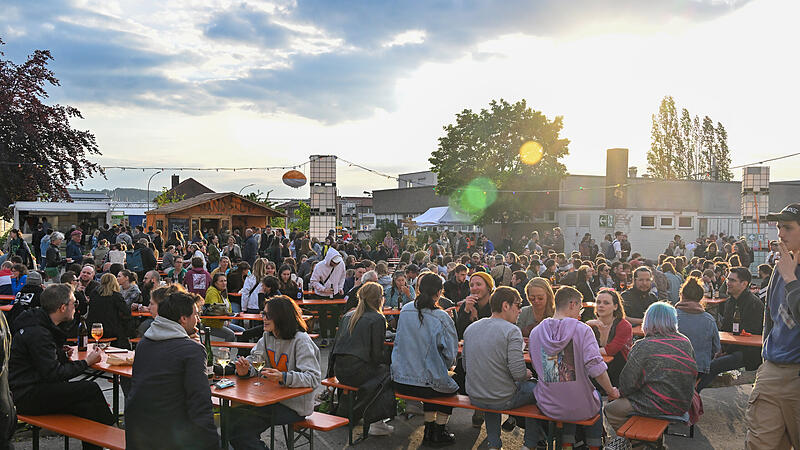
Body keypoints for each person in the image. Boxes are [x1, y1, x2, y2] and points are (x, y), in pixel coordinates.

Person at [9, 284, 114, 450]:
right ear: (63, 307)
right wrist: (87, 362)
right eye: (74, 303)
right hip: (26, 395)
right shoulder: (39, 333)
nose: (76, 307)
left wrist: (60, 354)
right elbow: (54, 374)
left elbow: (38, 361)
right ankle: (114, 434)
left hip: (25, 389)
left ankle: (104, 440)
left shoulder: (37, 323)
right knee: (90, 388)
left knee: (86, 408)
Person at [529, 286, 619, 450]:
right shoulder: (582, 329)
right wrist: (611, 391)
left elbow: (552, 372)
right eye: (579, 307)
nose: (580, 312)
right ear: (572, 304)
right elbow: (595, 368)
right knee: (594, 396)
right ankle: (594, 444)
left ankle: (567, 442)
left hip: (548, 404)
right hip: (579, 406)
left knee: (567, 391)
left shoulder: (537, 332)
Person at [125, 291, 219, 449]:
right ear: (183, 318)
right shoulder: (191, 350)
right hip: (171, 436)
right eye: (195, 315)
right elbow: (200, 403)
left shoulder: (144, 343)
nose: (198, 320)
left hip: (137, 431)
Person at [229, 295, 321, 450]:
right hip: (270, 399)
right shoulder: (267, 337)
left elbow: (313, 378)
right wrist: (245, 370)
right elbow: (255, 360)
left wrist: (284, 377)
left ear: (281, 316)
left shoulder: (301, 340)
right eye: (263, 313)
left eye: (268, 315)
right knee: (231, 418)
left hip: (294, 406)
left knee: (240, 429)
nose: (263, 318)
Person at [746, 203, 800, 449]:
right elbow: (773, 317)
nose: (780, 234)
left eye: (788, 227)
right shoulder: (783, 265)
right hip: (772, 370)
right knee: (760, 444)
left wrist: (791, 279)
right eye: (779, 227)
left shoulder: (786, 271)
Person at [604, 302, 697, 436]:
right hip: (682, 403)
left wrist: (619, 393)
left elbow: (627, 384)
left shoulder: (643, 346)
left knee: (611, 409)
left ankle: (637, 442)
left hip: (655, 403)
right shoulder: (685, 342)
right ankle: (648, 441)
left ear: (648, 321)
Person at [463, 287, 540, 450]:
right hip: (502, 398)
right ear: (506, 305)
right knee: (537, 390)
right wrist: (527, 374)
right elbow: (518, 374)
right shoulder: (512, 331)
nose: (520, 310)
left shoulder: (471, 328)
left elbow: (464, 365)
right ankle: (531, 443)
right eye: (518, 305)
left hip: (475, 395)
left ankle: (494, 443)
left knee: (494, 389)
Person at [392, 273, 458, 446]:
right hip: (427, 385)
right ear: (439, 293)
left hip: (400, 380)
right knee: (448, 383)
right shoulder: (442, 317)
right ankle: (438, 430)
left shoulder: (405, 309)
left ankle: (429, 428)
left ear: (419, 290)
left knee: (435, 377)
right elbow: (451, 355)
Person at [329, 282, 394, 436]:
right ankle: (376, 421)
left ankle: (356, 411)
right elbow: (376, 357)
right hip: (356, 372)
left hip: (340, 370)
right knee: (388, 373)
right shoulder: (377, 318)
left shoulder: (348, 315)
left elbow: (335, 347)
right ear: (380, 299)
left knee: (380, 372)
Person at [675, 277, 721, 391]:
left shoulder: (671, 316)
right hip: (700, 367)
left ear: (682, 295)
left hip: (674, 365)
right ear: (701, 298)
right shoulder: (709, 319)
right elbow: (717, 348)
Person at [585, 288, 632, 386]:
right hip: (595, 366)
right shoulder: (591, 325)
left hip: (618, 369)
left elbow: (611, 350)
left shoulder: (624, 325)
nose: (601, 305)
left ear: (615, 306)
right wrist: (586, 325)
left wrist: (590, 351)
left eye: (606, 303)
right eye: (598, 302)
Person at [87, 273, 133, 349]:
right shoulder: (116, 296)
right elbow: (126, 312)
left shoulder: (94, 294)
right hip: (110, 330)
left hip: (93, 329)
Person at [203, 272, 244, 341]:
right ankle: (225, 351)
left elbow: (229, 307)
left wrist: (229, 318)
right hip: (211, 324)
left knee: (243, 331)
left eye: (225, 281)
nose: (224, 283)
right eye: (221, 281)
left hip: (222, 322)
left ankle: (241, 351)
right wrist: (228, 316)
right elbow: (215, 308)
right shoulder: (212, 292)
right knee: (230, 335)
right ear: (215, 283)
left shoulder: (223, 291)